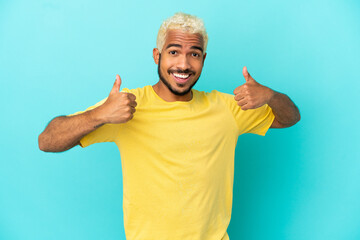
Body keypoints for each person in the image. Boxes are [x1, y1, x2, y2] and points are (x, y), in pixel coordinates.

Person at [38, 12, 300, 240]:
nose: (183, 65)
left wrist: (271, 96)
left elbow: (290, 118)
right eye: (174, 52)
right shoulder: (126, 106)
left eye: (193, 54)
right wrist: (100, 115)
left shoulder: (227, 108)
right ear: (157, 55)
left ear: (203, 59)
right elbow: (47, 141)